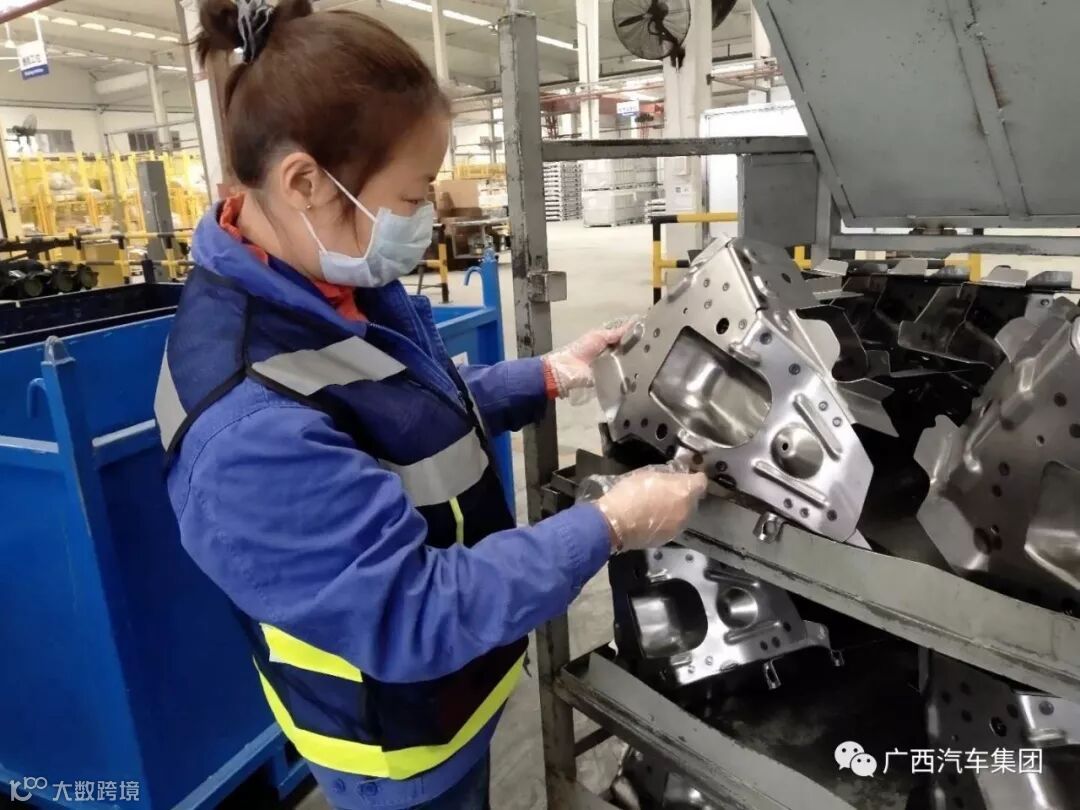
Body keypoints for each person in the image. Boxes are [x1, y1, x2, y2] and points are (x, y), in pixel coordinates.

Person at [156, 1, 707, 808]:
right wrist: (610, 524)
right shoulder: (247, 424)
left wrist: (543, 376)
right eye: (412, 197)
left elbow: (399, 414)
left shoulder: (330, 279)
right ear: (305, 182)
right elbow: (412, 613)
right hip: (395, 749)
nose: (423, 221)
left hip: (452, 698)